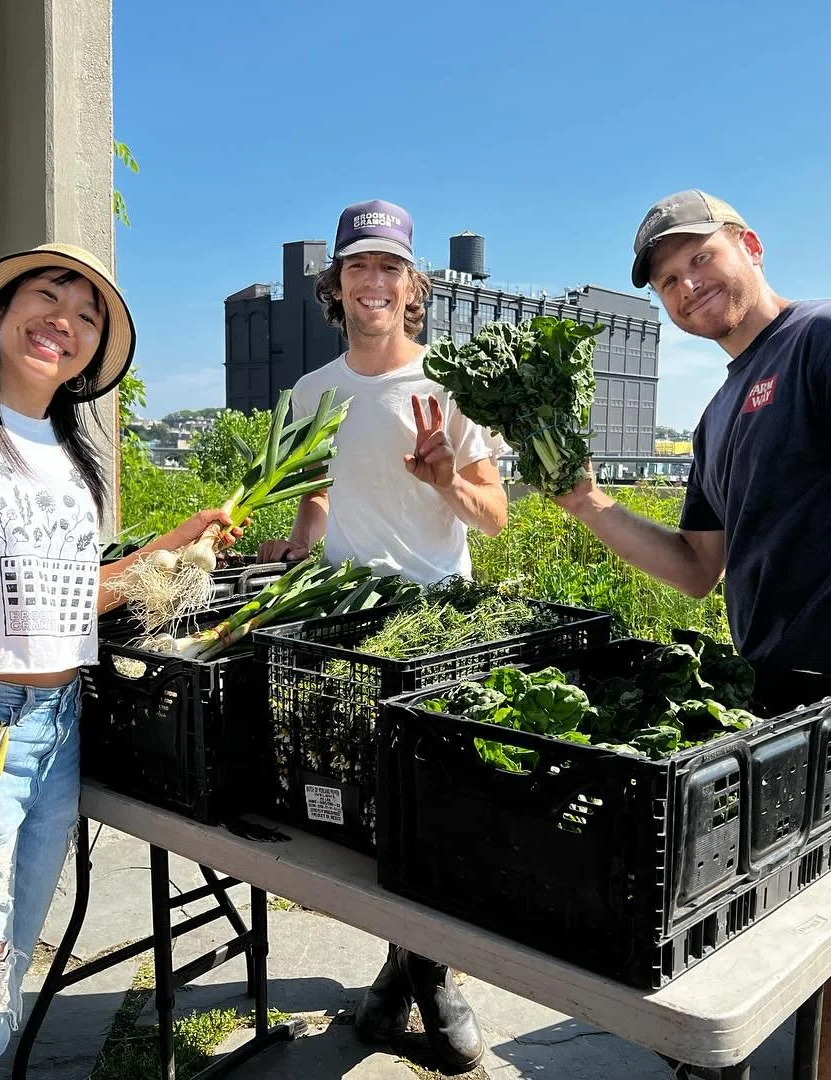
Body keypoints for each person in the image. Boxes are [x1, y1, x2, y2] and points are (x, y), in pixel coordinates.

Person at [554, 191, 831, 1080]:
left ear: (749, 245)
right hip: (781, 690)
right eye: (667, 279)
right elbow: (698, 566)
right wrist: (590, 506)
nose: (686, 284)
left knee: (820, 928)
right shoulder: (718, 412)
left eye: (699, 258)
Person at [0, 242, 239, 1079]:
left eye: (88, 314)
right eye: (47, 295)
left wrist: (181, 544)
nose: (65, 320)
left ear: (91, 353)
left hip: (56, 730)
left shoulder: (72, 463)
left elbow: (73, 598)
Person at [259, 199, 508, 1072]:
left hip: (442, 625)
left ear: (413, 287)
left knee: (431, 810)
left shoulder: (449, 390)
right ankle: (413, 972)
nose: (373, 282)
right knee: (366, 809)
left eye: (389, 268)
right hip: (349, 623)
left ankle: (425, 981)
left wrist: (445, 478)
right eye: (358, 267)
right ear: (336, 285)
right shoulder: (311, 395)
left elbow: (497, 516)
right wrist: (290, 550)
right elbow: (316, 496)